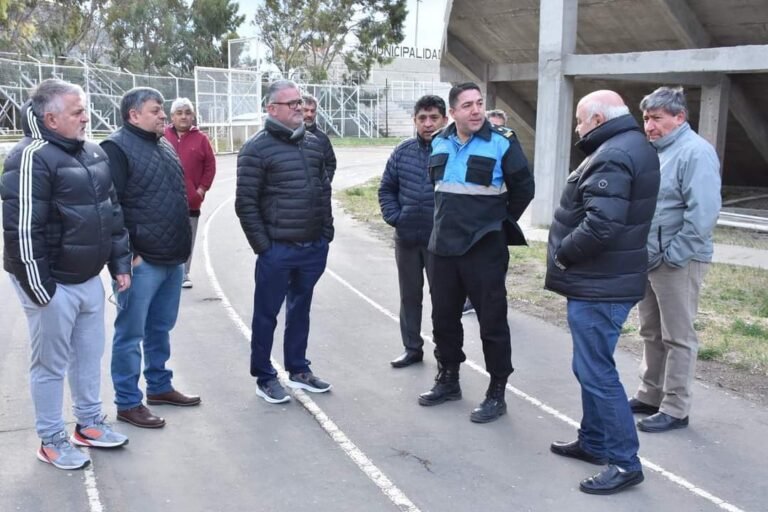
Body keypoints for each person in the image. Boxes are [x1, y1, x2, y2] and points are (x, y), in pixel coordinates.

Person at [1, 79, 131, 469]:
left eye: (84, 110)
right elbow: (22, 230)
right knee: (50, 365)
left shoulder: (92, 152)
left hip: (89, 278)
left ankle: (89, 423)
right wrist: (41, 288)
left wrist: (120, 263)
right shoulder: (29, 156)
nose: (86, 118)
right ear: (51, 118)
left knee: (89, 355)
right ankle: (51, 438)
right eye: (77, 112)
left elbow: (112, 212)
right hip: (51, 282)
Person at [545, 90, 660, 495]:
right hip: (606, 280)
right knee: (589, 367)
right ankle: (594, 442)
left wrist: (562, 255)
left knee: (597, 372)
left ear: (595, 118)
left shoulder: (612, 153)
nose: (577, 128)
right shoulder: (632, 145)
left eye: (579, 120)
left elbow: (601, 225)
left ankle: (625, 462)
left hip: (600, 284)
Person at [418, 82, 534, 424]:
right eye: (467, 105)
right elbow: (438, 190)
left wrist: (496, 221)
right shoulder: (439, 141)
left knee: (492, 322)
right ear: (452, 112)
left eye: (479, 103)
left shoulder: (502, 142)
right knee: (443, 318)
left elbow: (523, 188)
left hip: (484, 247)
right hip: (443, 247)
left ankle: (497, 390)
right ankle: (448, 378)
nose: (475, 110)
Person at [102, 87, 199, 429]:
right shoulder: (115, 148)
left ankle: (159, 386)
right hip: (142, 263)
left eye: (163, 110)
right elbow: (109, 208)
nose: (163, 115)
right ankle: (128, 402)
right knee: (130, 334)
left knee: (161, 327)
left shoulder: (163, 145)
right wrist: (128, 256)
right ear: (133, 115)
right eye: (156, 110)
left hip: (172, 257)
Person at [236, 80, 334, 404]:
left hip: (312, 247)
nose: (298, 107)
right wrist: (264, 247)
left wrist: (325, 233)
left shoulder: (315, 144)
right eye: (291, 103)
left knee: (301, 309)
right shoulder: (256, 149)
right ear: (272, 109)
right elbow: (245, 203)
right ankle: (264, 376)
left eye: (299, 102)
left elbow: (323, 190)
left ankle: (299, 369)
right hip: (277, 250)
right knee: (266, 314)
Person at [630, 86, 722, 433]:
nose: (649, 126)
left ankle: (676, 407)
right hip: (652, 258)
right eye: (646, 119)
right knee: (651, 331)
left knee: (678, 336)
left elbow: (704, 214)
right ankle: (650, 394)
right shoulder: (657, 152)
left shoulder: (695, 153)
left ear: (679, 117)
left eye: (656, 119)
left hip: (678, 261)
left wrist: (674, 255)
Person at [378, 95, 448, 368]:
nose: (428, 124)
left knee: (443, 300)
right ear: (415, 121)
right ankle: (412, 348)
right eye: (422, 118)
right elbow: (386, 188)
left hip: (440, 242)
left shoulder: (454, 151)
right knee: (409, 297)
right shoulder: (402, 151)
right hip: (407, 238)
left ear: (445, 119)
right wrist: (396, 217)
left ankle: (446, 354)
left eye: (434, 118)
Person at [164, 97, 216, 289]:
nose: (184, 116)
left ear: (193, 116)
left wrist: (200, 190)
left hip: (191, 202)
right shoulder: (161, 135)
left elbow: (210, 166)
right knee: (165, 237)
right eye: (179, 113)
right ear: (172, 116)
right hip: (164, 201)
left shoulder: (201, 139)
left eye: (187, 112)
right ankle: (167, 273)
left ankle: (184, 274)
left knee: (188, 238)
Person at [302, 94, 337, 182]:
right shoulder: (289, 135)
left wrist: (323, 185)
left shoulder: (322, 138)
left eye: (312, 111)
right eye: (305, 110)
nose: (309, 114)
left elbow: (330, 163)